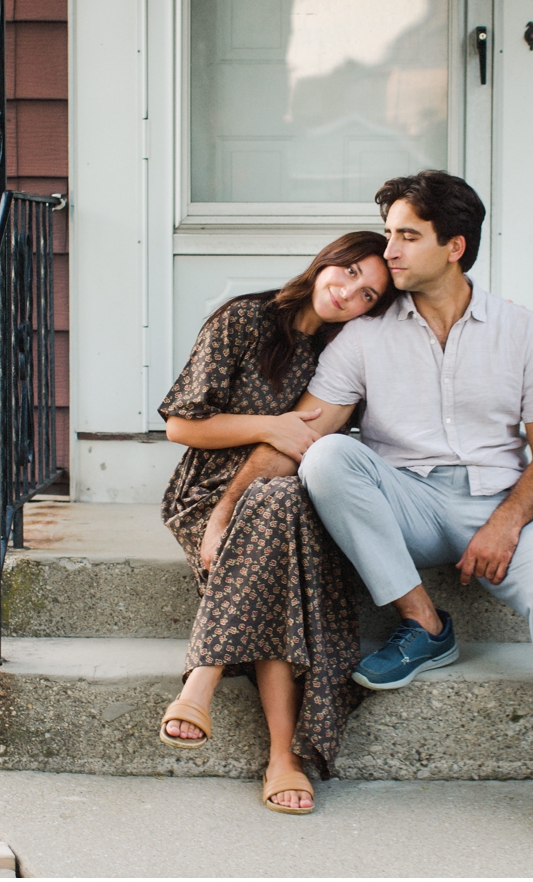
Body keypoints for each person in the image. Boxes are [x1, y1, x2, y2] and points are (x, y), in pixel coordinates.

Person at [215, 170, 533, 856]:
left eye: (407, 235)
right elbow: (303, 431)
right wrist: (224, 511)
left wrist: (507, 519)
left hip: (499, 503)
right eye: (390, 232)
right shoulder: (365, 337)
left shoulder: (520, 329)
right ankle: (423, 621)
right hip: (404, 502)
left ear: (453, 245)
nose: (390, 250)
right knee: (328, 458)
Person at [157, 232, 395, 815]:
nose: (349, 295)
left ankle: (201, 682)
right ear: (326, 262)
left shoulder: (346, 355)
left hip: (295, 503)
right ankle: (283, 758)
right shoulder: (243, 320)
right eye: (348, 274)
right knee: (278, 516)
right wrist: (269, 427)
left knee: (281, 503)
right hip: (209, 493)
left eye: (368, 295)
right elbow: (181, 427)